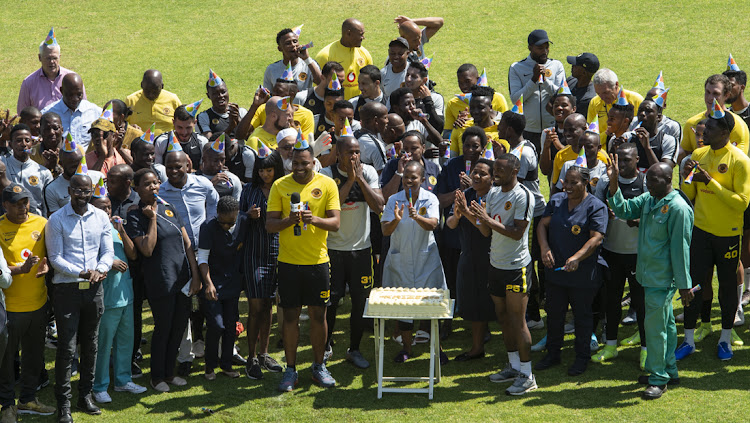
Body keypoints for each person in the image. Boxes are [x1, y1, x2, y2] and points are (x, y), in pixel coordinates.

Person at [607, 158, 693, 400]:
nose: (647, 183)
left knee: (654, 330)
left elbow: (681, 249)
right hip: (648, 275)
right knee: (665, 325)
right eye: (648, 178)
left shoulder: (678, 208)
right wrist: (614, 184)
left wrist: (685, 284)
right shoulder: (649, 199)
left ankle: (658, 379)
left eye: (653, 179)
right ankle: (669, 370)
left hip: (663, 279)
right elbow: (623, 210)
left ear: (668, 181)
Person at [676, 105, 750, 361]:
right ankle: (687, 339)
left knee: (727, 287)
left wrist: (711, 182)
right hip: (701, 232)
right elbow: (689, 198)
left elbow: (741, 202)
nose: (703, 130)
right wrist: (686, 182)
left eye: (710, 128)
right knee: (694, 285)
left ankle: (725, 339)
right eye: (705, 126)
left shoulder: (739, 160)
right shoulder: (698, 154)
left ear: (725, 132)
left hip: (728, 235)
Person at [266, 139, 340, 391]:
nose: (299, 167)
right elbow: (270, 225)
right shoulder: (279, 185)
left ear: (314, 163)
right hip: (288, 263)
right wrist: (290, 220)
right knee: (290, 317)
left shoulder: (327, 184)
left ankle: (319, 366)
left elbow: (335, 223)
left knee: (319, 315)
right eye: (295, 163)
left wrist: (314, 219)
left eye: (304, 163)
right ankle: (290, 369)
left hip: (318, 263)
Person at [46, 169, 114, 421]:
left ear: (92, 191)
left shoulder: (101, 217)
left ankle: (85, 395)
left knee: (91, 345)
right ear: (69, 191)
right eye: (77, 190)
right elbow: (55, 259)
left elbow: (107, 252)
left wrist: (101, 269)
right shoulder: (57, 219)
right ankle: (63, 404)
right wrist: (82, 273)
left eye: (87, 191)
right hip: (67, 290)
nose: (82, 195)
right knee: (66, 348)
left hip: (94, 289)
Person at [125, 168, 201, 393]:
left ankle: (170, 373)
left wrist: (195, 275)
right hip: (161, 280)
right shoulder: (135, 214)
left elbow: (187, 243)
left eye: (156, 183)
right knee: (163, 328)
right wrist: (152, 218)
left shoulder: (170, 208)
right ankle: (156, 377)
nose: (153, 187)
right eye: (147, 184)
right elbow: (146, 250)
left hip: (182, 279)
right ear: (136, 188)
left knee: (178, 327)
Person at [467, 154, 536, 395]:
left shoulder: (523, 195)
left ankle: (527, 375)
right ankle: (513, 366)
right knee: (503, 317)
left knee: (518, 320)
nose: (496, 173)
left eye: (501, 170)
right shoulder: (494, 193)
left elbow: (518, 233)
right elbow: (486, 231)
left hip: (517, 268)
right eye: (495, 169)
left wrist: (485, 218)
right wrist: (468, 213)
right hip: (495, 266)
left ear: (515, 171)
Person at [536, 166, 608, 376]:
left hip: (582, 274)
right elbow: (542, 225)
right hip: (556, 271)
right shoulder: (557, 201)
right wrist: (544, 248)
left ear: (585, 183)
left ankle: (582, 356)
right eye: (565, 181)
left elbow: (596, 237)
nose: (566, 186)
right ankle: (553, 353)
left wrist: (577, 257)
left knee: (582, 316)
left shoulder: (596, 206)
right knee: (555, 314)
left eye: (573, 183)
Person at [320, 136, 384, 369]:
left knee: (360, 302)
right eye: (349, 152)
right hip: (332, 250)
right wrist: (349, 181)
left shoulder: (367, 172)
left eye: (357, 152)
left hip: (361, 250)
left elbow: (379, 206)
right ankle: (326, 346)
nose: (354, 156)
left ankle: (354, 349)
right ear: (338, 154)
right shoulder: (326, 174)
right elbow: (331, 206)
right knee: (332, 302)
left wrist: (361, 181)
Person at [159, 148, 219, 376]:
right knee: (183, 307)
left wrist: (210, 227)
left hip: (206, 252)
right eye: (169, 167)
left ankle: (221, 351)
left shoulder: (203, 185)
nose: (174, 171)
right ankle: (185, 357)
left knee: (212, 303)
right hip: (179, 256)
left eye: (178, 166)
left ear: (188, 166)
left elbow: (214, 202)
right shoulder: (161, 191)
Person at [381, 161, 447, 363]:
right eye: (406, 177)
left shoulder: (431, 199)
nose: (409, 181)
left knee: (434, 308)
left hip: (426, 261)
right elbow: (385, 230)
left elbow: (433, 224)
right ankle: (406, 348)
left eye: (414, 177)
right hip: (400, 262)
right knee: (404, 308)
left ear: (422, 179)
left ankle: (438, 349)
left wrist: (417, 216)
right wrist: (397, 220)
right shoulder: (394, 199)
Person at [0, 184, 54, 419]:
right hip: (9, 308)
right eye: (17, 203)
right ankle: (7, 404)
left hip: (38, 304)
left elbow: (52, 254)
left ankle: (28, 399)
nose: (23, 207)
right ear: (5, 205)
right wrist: (20, 269)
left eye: (25, 202)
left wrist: (46, 265)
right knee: (6, 360)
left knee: (34, 355)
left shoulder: (41, 223)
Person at [591, 143, 648, 367]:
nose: (622, 164)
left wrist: (639, 222)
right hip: (611, 253)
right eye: (618, 160)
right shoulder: (605, 182)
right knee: (612, 301)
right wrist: (606, 214)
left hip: (637, 254)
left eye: (627, 160)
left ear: (636, 160)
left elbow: (653, 215)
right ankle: (611, 345)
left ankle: (645, 349)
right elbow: (595, 210)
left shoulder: (644, 182)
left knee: (641, 303)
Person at [90, 184, 147, 403]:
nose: (105, 211)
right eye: (100, 208)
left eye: (107, 207)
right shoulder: (89, 230)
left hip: (125, 292)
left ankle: (123, 380)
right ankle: (99, 385)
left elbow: (132, 254)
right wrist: (108, 262)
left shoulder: (115, 227)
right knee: (104, 343)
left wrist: (122, 231)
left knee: (126, 339)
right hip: (106, 295)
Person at [240, 150, 284, 380]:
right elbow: (236, 221)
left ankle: (265, 354)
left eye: (269, 169)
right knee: (255, 307)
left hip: (279, 253)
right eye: (261, 170)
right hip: (254, 254)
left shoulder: (284, 188)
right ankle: (251, 357)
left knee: (269, 307)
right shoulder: (249, 190)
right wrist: (248, 215)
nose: (265, 174)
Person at [444, 158, 494, 361]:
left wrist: (466, 212)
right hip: (469, 255)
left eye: (483, 173)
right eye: (475, 172)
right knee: (473, 302)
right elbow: (450, 224)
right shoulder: (465, 195)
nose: (476, 176)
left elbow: (485, 230)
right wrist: (457, 215)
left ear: (492, 179)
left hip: (491, 257)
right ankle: (477, 347)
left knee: (493, 304)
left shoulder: (495, 198)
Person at [197, 196, 244, 380]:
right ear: (217, 214)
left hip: (233, 283)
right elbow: (202, 259)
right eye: (222, 222)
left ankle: (226, 365)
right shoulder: (208, 227)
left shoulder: (243, 221)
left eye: (230, 223)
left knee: (230, 326)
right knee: (216, 325)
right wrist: (208, 283)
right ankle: (209, 367)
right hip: (213, 284)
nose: (226, 226)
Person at [508, 29, 565, 153]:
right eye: (540, 48)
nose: (544, 51)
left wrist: (545, 81)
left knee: (553, 170)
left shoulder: (557, 66)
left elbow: (562, 96)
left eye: (547, 47)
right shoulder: (516, 68)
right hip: (527, 130)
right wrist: (533, 80)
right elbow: (516, 99)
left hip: (552, 129)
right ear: (530, 47)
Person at [679, 74, 750, 163]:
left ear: (727, 95)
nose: (710, 98)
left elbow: (737, 160)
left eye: (716, 94)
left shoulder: (737, 125)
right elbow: (684, 154)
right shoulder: (692, 122)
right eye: (708, 92)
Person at [17, 28, 87, 113]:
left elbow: (84, 108)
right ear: (39, 57)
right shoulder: (29, 83)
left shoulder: (73, 79)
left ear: (60, 57)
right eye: (48, 58)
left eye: (54, 58)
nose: (52, 62)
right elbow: (22, 114)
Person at [444, 63, 509, 139]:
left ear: (478, 79)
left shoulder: (497, 98)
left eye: (467, 81)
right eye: (460, 83)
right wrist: (457, 127)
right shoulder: (452, 103)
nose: (464, 86)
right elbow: (446, 135)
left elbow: (508, 126)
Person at [315, 18, 373, 99]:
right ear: (348, 33)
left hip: (358, 106)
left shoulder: (365, 54)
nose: (363, 37)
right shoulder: (325, 55)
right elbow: (317, 84)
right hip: (335, 107)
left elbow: (371, 81)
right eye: (360, 34)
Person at [43, 138, 103, 216]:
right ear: (61, 163)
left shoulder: (98, 178)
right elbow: (55, 217)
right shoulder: (52, 189)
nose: (78, 167)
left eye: (80, 162)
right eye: (73, 165)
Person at [3, 125, 54, 216]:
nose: (24, 144)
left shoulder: (43, 173)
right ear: (11, 144)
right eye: (18, 140)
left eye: (27, 140)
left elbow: (47, 206)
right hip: (8, 221)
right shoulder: (2, 164)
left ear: (32, 144)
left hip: (35, 221)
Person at [41, 73, 101, 149]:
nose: (75, 99)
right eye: (70, 95)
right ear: (62, 91)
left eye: (79, 94)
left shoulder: (95, 112)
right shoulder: (47, 114)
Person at [586, 68, 643, 148]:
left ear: (616, 85)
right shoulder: (594, 103)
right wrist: (606, 134)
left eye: (606, 92)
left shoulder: (636, 101)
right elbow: (591, 136)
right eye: (598, 93)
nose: (602, 97)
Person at [550, 114, 610, 186]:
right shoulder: (561, 155)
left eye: (572, 130)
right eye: (565, 130)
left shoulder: (602, 157)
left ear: (584, 129)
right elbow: (555, 185)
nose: (567, 134)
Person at [450, 86, 510, 156]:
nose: (475, 111)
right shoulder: (460, 127)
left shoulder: (500, 131)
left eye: (480, 107)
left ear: (490, 108)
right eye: (472, 107)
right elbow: (451, 159)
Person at [380, 130, 440, 200]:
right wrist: (399, 173)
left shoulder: (433, 168)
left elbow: (439, 198)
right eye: (405, 149)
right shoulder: (393, 165)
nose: (409, 152)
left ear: (423, 148)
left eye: (414, 148)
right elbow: (385, 197)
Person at [627, 98, 678, 172]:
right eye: (640, 110)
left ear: (659, 117)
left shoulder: (668, 141)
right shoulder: (628, 137)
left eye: (648, 111)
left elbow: (663, 173)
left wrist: (647, 147)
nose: (642, 114)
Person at [263, 28, 322, 93]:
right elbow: (268, 95)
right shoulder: (272, 69)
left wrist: (307, 59)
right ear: (280, 48)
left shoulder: (309, 64)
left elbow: (321, 83)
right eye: (288, 43)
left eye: (295, 41)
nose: (293, 45)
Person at [125, 70, 181, 136]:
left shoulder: (173, 100)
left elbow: (184, 123)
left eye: (155, 91)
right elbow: (119, 125)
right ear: (142, 85)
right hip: (139, 144)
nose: (151, 94)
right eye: (147, 90)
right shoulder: (131, 100)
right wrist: (129, 128)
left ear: (162, 86)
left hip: (167, 144)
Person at [197, 70, 247, 140]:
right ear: (208, 96)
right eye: (215, 93)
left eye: (223, 92)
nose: (220, 96)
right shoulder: (204, 117)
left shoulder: (241, 112)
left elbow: (250, 136)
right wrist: (230, 128)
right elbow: (211, 144)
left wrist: (238, 120)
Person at [539, 92, 576, 181]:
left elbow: (581, 160)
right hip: (556, 188)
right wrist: (547, 146)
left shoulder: (580, 132)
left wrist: (560, 148)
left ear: (573, 109)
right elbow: (545, 170)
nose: (559, 108)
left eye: (564, 105)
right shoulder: (547, 133)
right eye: (556, 105)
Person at [404, 61, 444, 132]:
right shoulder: (399, 96)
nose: (408, 79)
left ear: (424, 80)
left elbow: (439, 127)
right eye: (407, 75)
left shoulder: (435, 98)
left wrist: (427, 101)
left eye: (414, 77)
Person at [86, 112, 128, 177]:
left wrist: (120, 149)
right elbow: (89, 182)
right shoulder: (87, 159)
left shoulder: (124, 154)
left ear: (113, 136)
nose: (98, 139)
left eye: (104, 135)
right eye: (94, 134)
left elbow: (137, 170)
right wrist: (101, 157)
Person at [356, 102, 390, 173]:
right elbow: (382, 175)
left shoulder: (354, 135)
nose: (387, 121)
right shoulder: (374, 145)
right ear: (376, 120)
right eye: (385, 117)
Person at [565, 53, 599, 117]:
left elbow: (573, 119)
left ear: (584, 73)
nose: (572, 66)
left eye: (576, 65)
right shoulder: (571, 80)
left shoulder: (588, 98)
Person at [30, 112, 63, 177]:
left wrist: (56, 167)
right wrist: (46, 167)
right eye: (47, 129)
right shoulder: (32, 152)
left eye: (55, 128)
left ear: (62, 130)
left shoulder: (75, 150)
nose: (51, 132)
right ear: (40, 131)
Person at [724, 62, 750, 128]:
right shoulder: (725, 116)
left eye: (731, 85)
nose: (726, 89)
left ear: (742, 87)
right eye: (724, 86)